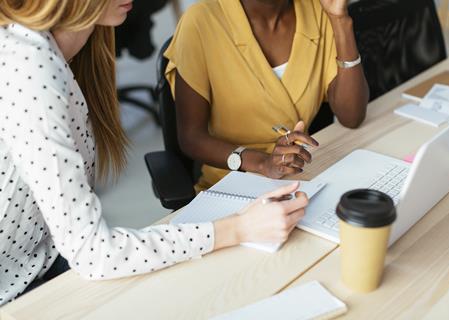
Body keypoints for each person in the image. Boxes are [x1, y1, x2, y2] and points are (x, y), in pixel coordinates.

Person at [0, 0, 308, 305]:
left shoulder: (64, 51)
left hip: (42, 261)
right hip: (14, 290)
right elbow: (95, 254)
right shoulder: (29, 66)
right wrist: (239, 228)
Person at [165, 0, 369, 191]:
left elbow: (352, 116)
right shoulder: (200, 20)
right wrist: (263, 163)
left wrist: (340, 20)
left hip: (302, 178)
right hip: (231, 186)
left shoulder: (317, 9)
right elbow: (191, 137)